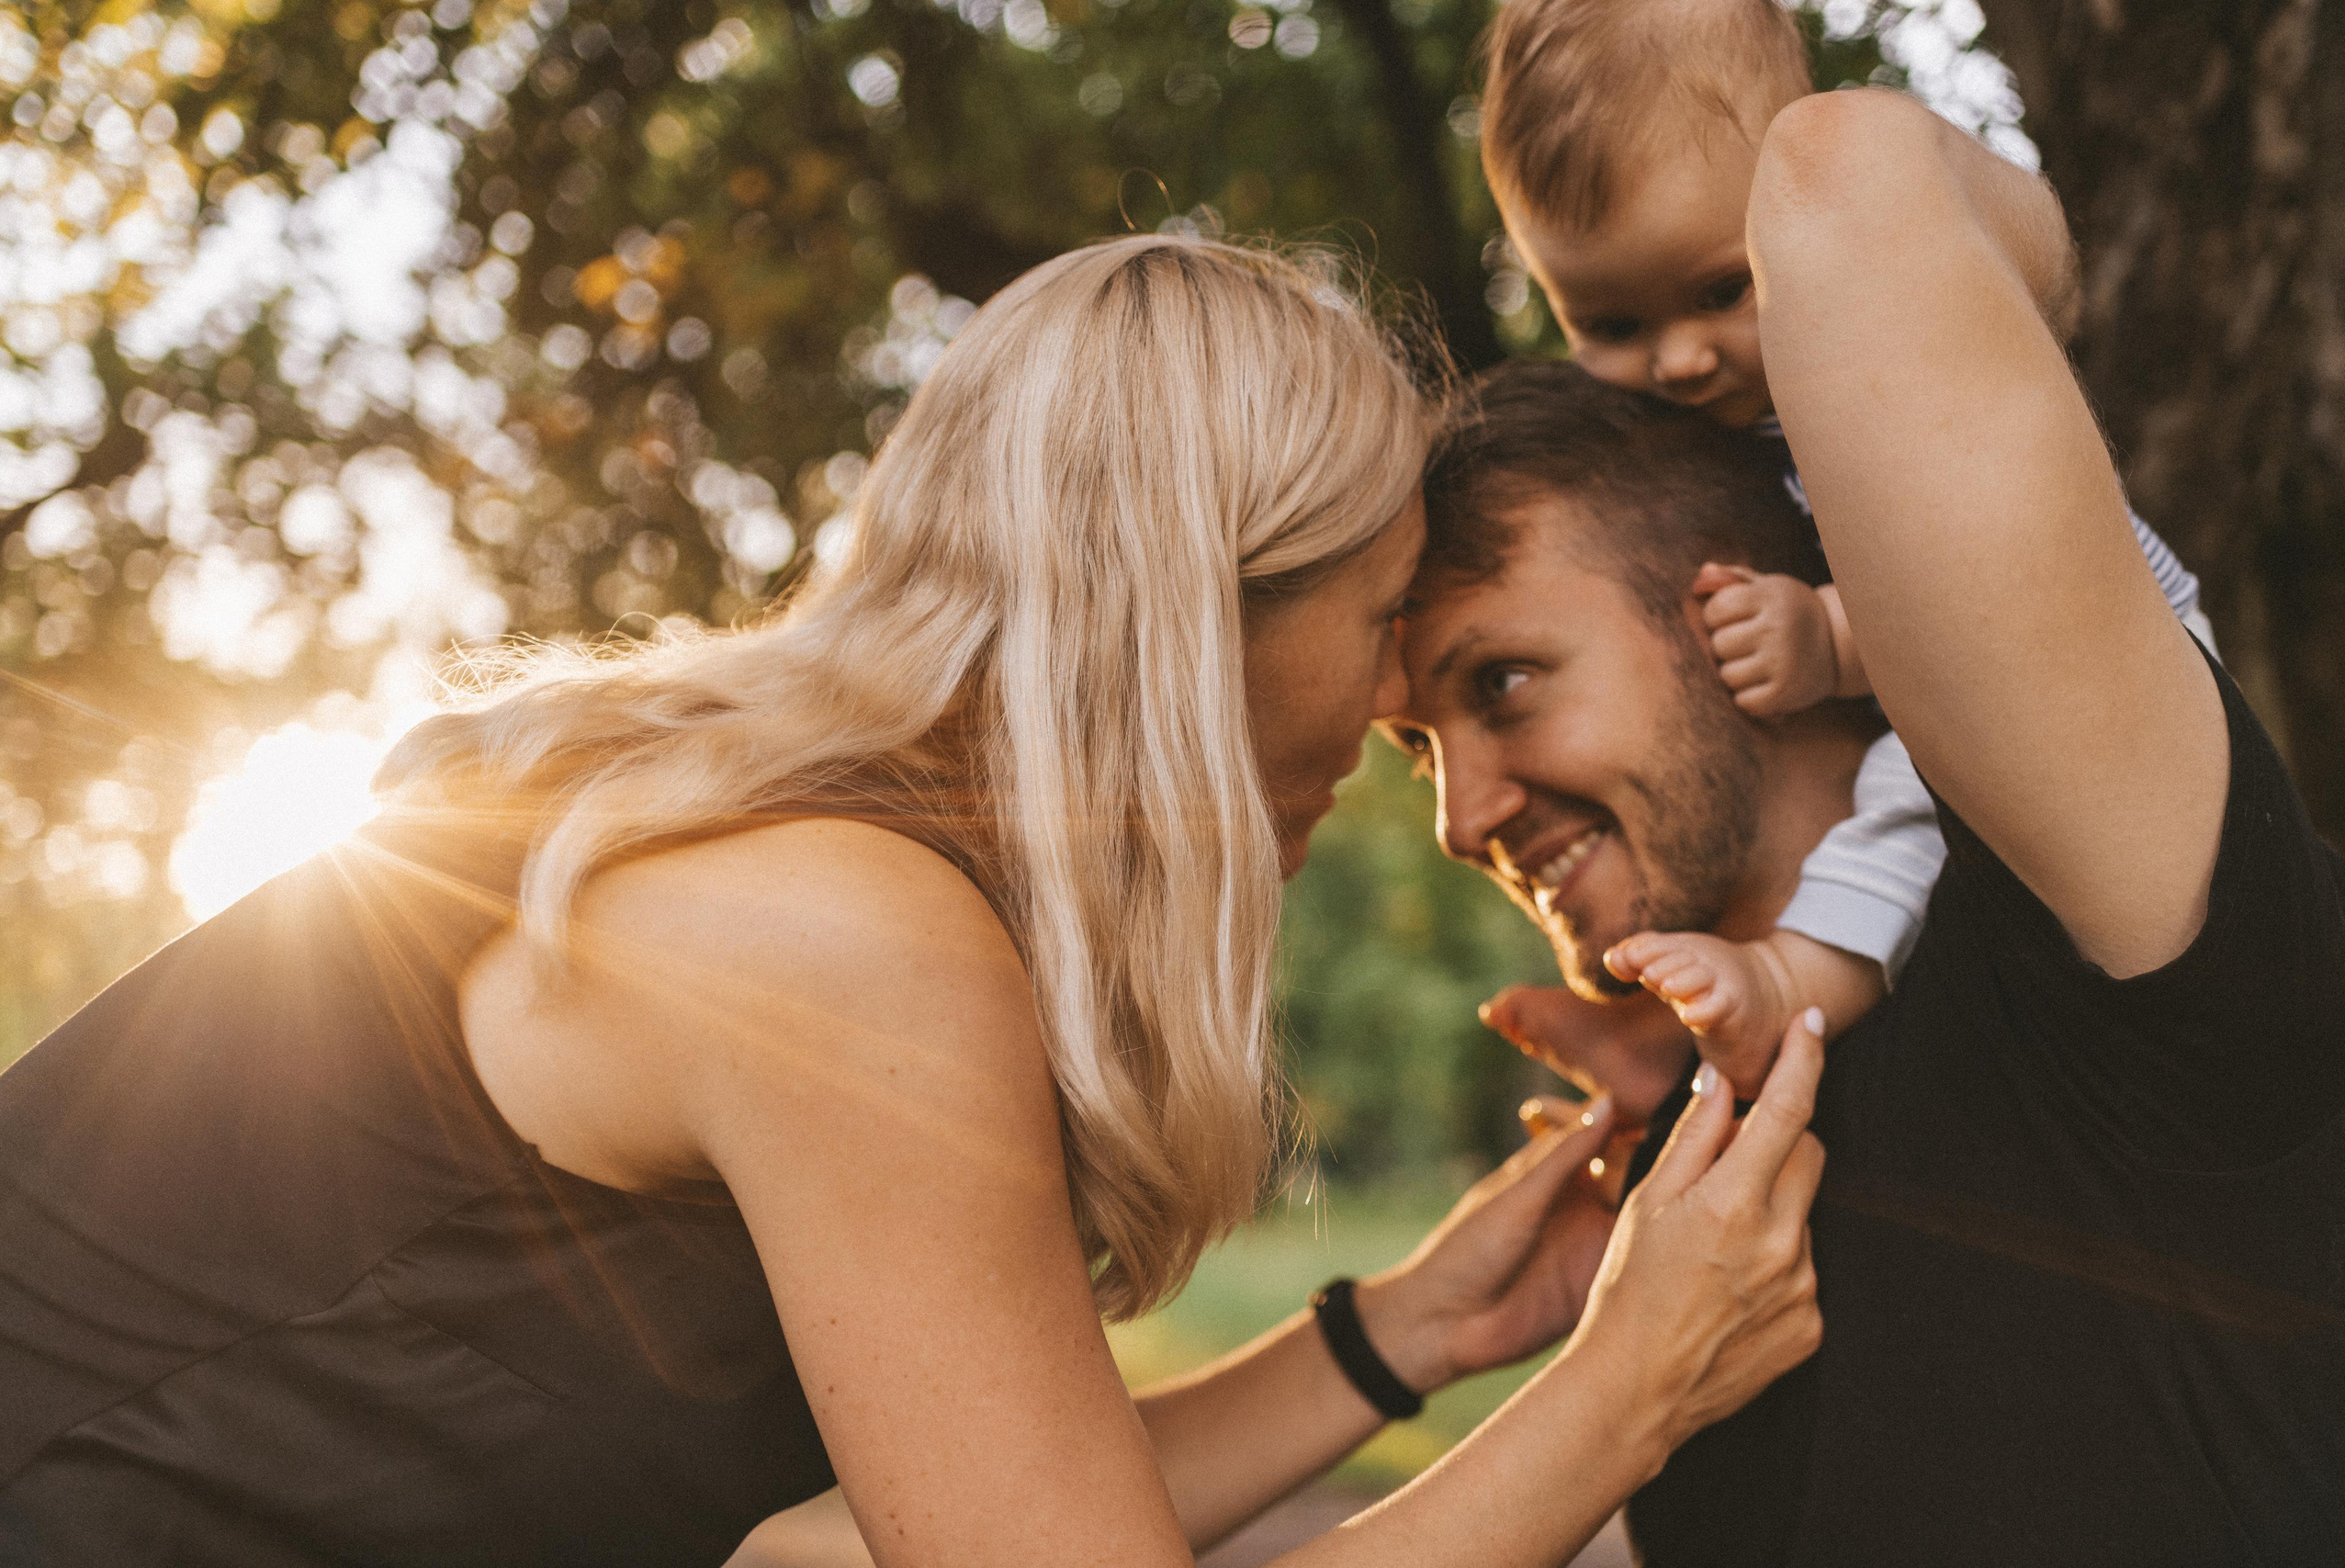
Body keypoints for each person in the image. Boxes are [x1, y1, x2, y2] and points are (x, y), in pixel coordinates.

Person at [0, 235, 1826, 1567]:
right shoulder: (846, 936)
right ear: (1190, 610)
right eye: (1374, 624)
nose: (1380, 716)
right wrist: (1634, 1376)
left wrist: (1408, 1328)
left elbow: (1014, 1512)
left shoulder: (836, 880)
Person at [1392, 91, 2345, 1563]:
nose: (1460, 813)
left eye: (1502, 682)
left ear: (1734, 594)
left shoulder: (2093, 917)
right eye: (1416, 747)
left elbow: (1854, 173)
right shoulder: (1682, 1202)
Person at [1473, 0, 2217, 1082]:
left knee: (1910, 783)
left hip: (2115, 668)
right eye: (1613, 327)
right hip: (1990, 697)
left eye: (1720, 291)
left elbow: (1993, 591)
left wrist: (1825, 636)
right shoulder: (1713, 438)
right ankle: (1677, 1038)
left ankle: (1793, 984)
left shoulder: (1872, 380)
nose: (1679, 360)